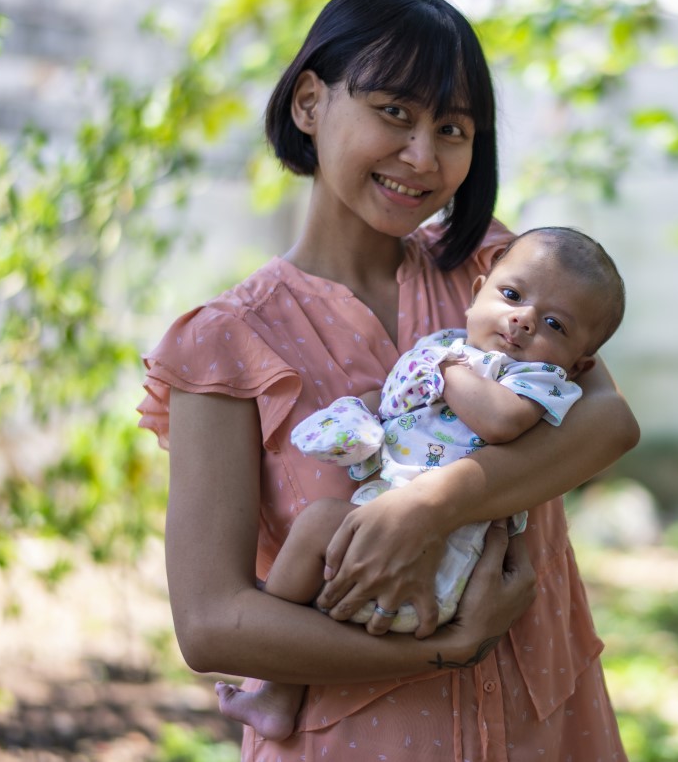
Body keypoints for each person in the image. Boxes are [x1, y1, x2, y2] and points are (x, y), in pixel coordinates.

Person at [136, 0, 638, 761]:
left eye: (453, 127)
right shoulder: (225, 346)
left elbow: (609, 424)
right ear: (309, 102)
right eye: (394, 112)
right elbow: (211, 623)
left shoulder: (498, 275)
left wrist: (429, 506)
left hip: (549, 719)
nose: (423, 156)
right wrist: (448, 646)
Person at [214, 226, 626, 740]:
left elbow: (498, 422)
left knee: (321, 522)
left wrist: (448, 369)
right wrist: (363, 413)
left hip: (450, 559)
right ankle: (277, 691)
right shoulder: (443, 349)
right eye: (512, 296)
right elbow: (394, 401)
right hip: (379, 539)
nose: (523, 319)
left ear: (580, 363)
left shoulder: (532, 380)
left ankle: (281, 644)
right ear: (476, 294)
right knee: (318, 525)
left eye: (554, 324)